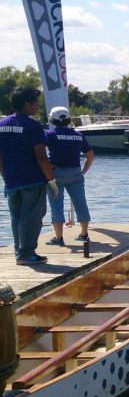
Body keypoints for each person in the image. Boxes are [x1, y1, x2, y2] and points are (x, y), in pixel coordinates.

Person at [0, 87, 57, 265]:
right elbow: (41, 156)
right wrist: (51, 180)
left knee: (16, 217)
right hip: (32, 179)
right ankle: (27, 253)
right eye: (35, 102)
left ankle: (19, 251)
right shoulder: (33, 126)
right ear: (27, 105)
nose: (38, 105)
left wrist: (4, 176)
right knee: (31, 217)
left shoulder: (2, 125)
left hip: (11, 180)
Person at [44, 107, 96, 245]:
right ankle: (84, 234)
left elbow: (38, 152)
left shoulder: (49, 134)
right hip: (75, 173)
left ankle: (59, 238)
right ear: (68, 119)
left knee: (56, 205)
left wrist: (47, 165)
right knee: (80, 203)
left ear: (52, 120)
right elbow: (90, 156)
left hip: (56, 174)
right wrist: (82, 172)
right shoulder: (78, 135)